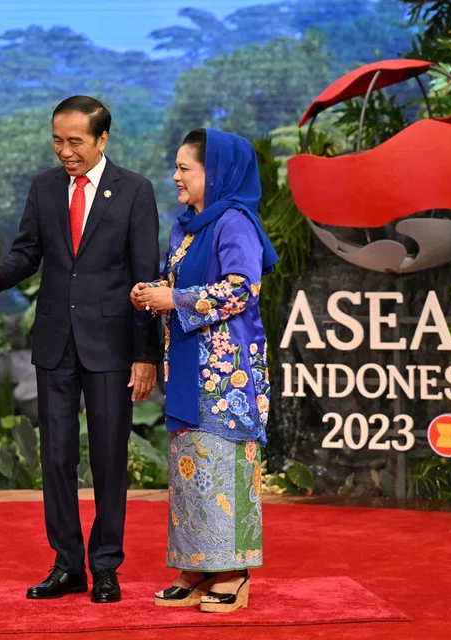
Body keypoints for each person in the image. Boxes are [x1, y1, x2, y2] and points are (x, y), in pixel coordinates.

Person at [0, 96, 161, 604]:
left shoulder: (135, 191)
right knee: (56, 459)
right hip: (55, 344)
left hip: (112, 346)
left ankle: (106, 566)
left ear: (102, 139)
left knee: (108, 458)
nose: (65, 151)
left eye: (75, 141)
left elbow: (146, 275)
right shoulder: (43, 187)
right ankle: (67, 565)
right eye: (58, 140)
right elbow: (26, 253)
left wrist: (145, 354)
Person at [132, 129, 279, 613]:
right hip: (188, 367)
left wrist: (172, 299)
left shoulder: (235, 222)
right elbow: (178, 282)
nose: (174, 177)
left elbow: (241, 289)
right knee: (191, 468)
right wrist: (153, 290)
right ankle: (196, 565)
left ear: (213, 174)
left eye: (184, 169)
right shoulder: (187, 226)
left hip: (228, 374)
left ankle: (233, 571)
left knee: (225, 467)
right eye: (175, 167)